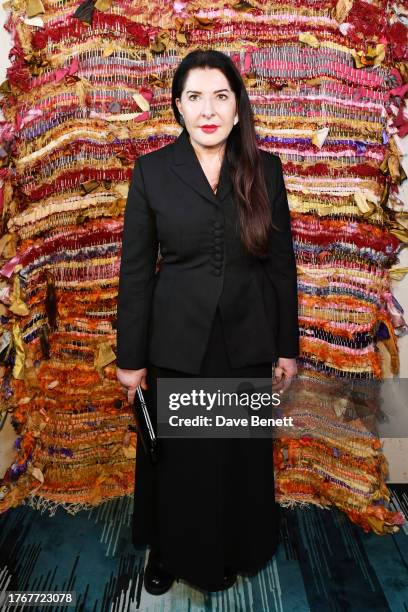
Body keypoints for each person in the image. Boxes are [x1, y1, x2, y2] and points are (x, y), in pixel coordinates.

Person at [116, 49, 299, 595]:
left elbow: (283, 267)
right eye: (194, 97)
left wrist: (286, 348)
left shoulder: (266, 170)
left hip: (246, 338)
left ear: (238, 108)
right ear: (177, 107)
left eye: (221, 96)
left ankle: (237, 546)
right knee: (181, 462)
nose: (208, 109)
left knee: (237, 458)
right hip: (176, 342)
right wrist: (131, 361)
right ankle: (171, 552)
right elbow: (136, 272)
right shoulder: (151, 171)